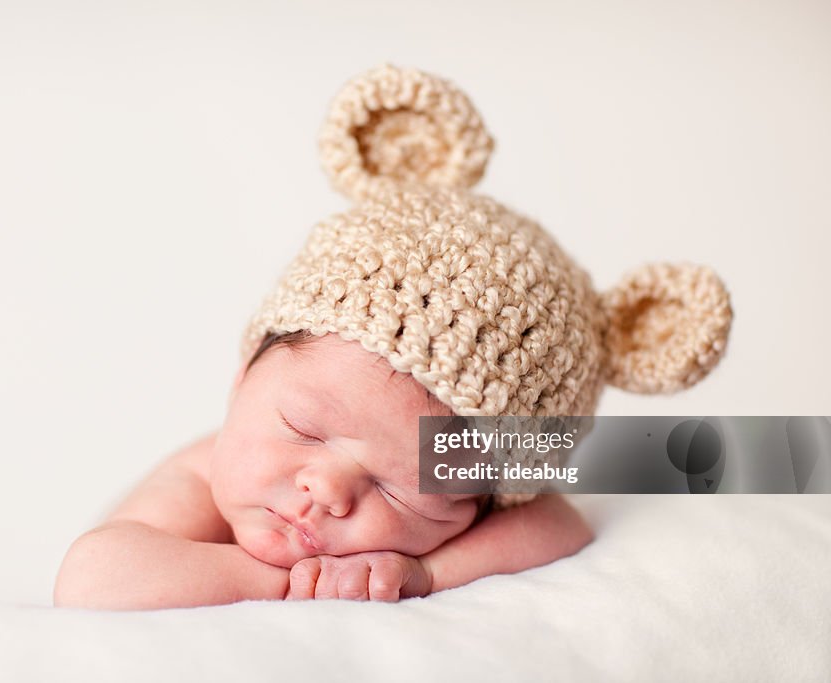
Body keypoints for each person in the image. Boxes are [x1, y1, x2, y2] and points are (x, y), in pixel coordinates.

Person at [54, 64, 732, 610]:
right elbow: (94, 577)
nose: (328, 488)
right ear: (241, 382)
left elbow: (560, 523)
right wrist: (292, 582)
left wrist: (422, 571)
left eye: (400, 489)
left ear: (481, 503)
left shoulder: (489, 503)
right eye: (305, 428)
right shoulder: (204, 474)